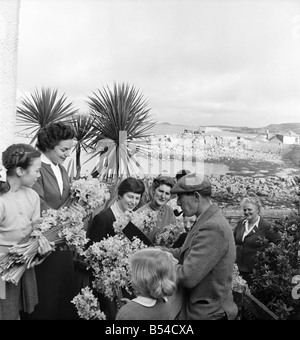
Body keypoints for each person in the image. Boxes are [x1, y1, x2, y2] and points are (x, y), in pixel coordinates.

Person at [23, 121, 83, 320]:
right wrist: (67, 216)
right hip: (44, 248)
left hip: (62, 248)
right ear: (49, 145)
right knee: (46, 304)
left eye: (69, 149)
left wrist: (76, 209)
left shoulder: (62, 169)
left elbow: (64, 203)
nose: (67, 154)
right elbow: (38, 206)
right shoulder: (36, 170)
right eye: (63, 149)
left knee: (63, 304)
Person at [167, 172, 238, 320]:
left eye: (180, 197)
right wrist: (158, 252)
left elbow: (187, 276)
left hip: (207, 313)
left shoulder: (213, 227)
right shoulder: (206, 219)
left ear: (196, 196)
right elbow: (184, 253)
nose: (178, 203)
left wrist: (161, 263)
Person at [0, 144, 53, 320]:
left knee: (19, 315)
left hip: (24, 269)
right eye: (37, 171)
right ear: (21, 171)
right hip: (2, 273)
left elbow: (35, 234)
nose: (39, 176)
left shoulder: (32, 196)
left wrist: (41, 250)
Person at [87, 176, 145, 319]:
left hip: (125, 279)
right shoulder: (103, 217)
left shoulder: (132, 217)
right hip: (106, 282)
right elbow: (91, 252)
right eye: (130, 197)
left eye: (137, 198)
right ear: (119, 195)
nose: (133, 202)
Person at [115, 248, 178, 320]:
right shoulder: (166, 304)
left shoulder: (126, 314)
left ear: (141, 277)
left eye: (132, 271)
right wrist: (132, 306)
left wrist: (130, 309)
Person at [233, 193, 281, 287]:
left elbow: (280, 243)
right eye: (245, 210)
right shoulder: (240, 223)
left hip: (255, 273)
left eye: (249, 209)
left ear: (258, 209)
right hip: (238, 271)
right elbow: (231, 241)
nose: (246, 212)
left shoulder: (266, 226)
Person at [136, 175, 176, 243]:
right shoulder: (140, 213)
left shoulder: (170, 212)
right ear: (154, 190)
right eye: (160, 191)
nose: (163, 196)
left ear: (170, 196)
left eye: (167, 193)